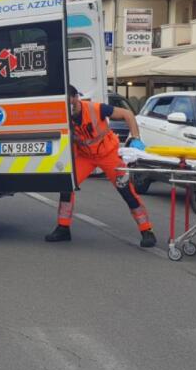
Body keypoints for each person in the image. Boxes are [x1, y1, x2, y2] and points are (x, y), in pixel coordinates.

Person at [47, 85, 157, 248]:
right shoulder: (63, 116)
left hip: (108, 155)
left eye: (69, 100)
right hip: (86, 157)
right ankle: (63, 228)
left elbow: (127, 114)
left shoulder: (96, 108)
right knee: (66, 185)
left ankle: (147, 231)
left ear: (76, 97)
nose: (67, 105)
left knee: (126, 190)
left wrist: (135, 137)